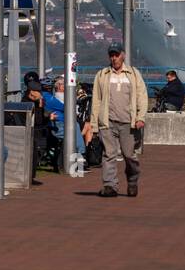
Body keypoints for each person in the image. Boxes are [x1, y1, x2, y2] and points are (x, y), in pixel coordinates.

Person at [88, 44, 147, 197]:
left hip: (129, 123)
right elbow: (96, 100)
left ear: (123, 55)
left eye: (116, 55)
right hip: (108, 122)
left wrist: (140, 117)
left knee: (129, 155)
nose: (114, 58)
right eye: (111, 55)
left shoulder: (133, 74)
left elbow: (142, 96)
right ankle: (110, 186)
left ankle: (132, 181)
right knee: (109, 154)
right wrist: (94, 125)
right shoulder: (102, 75)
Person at [45, 74, 84, 156]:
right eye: (64, 84)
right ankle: (81, 153)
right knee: (78, 126)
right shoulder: (58, 97)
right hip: (61, 123)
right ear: (58, 86)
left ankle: (82, 152)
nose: (66, 86)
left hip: (64, 121)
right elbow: (68, 109)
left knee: (84, 127)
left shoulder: (55, 96)